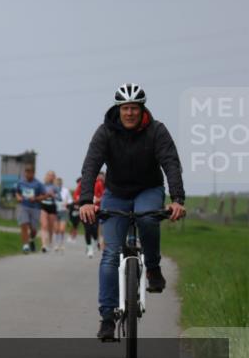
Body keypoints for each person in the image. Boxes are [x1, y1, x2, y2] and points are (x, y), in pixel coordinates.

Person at [79, 83, 185, 342]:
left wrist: (177, 199)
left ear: (142, 109)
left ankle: (153, 268)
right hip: (116, 193)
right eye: (125, 108)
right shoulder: (105, 132)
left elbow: (171, 163)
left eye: (134, 108)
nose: (129, 113)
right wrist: (86, 201)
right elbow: (91, 165)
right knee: (110, 255)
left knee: (148, 218)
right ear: (118, 109)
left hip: (148, 189)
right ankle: (107, 318)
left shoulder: (157, 131)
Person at [15, 165, 46, 253]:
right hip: (23, 206)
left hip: (35, 208)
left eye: (30, 172)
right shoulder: (21, 182)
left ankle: (31, 239)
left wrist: (35, 198)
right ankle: (25, 246)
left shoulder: (38, 184)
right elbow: (17, 192)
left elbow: (44, 196)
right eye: (26, 172)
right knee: (24, 225)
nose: (28, 174)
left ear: (33, 173)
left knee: (33, 230)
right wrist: (18, 197)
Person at [38, 170, 59, 253]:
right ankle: (43, 245)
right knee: (44, 225)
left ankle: (49, 242)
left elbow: (59, 198)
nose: (50, 176)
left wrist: (53, 195)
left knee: (50, 227)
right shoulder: (42, 185)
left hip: (52, 207)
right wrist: (44, 196)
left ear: (54, 177)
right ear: (46, 176)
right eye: (49, 175)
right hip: (43, 206)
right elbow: (38, 195)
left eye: (52, 175)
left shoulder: (55, 187)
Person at [54, 176, 70, 252]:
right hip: (55, 211)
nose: (58, 183)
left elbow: (70, 200)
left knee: (62, 229)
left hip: (63, 211)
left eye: (60, 182)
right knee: (56, 229)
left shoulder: (65, 190)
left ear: (61, 183)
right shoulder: (53, 190)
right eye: (57, 182)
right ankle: (56, 244)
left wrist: (67, 203)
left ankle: (62, 243)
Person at [67, 177, 82, 243]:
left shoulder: (84, 190)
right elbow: (74, 200)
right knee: (72, 225)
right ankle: (71, 236)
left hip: (79, 210)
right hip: (73, 210)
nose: (79, 183)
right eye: (78, 182)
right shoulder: (76, 190)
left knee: (76, 226)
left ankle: (74, 237)